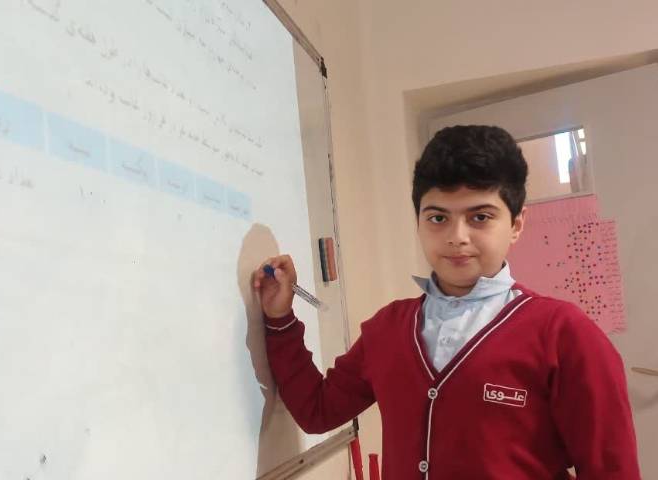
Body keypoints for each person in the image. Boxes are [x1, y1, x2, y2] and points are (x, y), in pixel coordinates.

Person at [253, 125, 640, 479]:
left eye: (480, 217)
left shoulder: (564, 334)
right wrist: (280, 318)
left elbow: (612, 471)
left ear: (516, 224)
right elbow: (318, 411)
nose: (457, 236)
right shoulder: (388, 329)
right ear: (419, 221)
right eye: (438, 218)